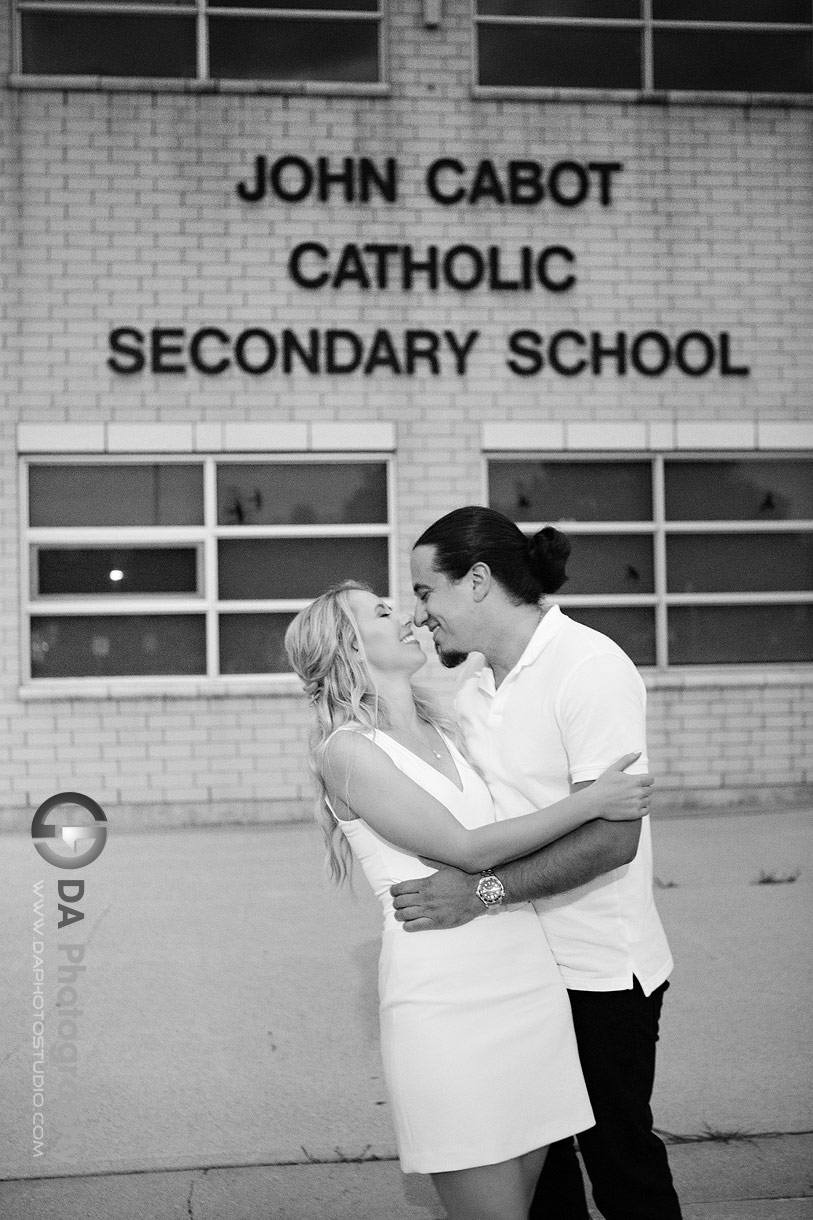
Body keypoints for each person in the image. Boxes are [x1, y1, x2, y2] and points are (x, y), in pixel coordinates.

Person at [284, 580, 653, 1220]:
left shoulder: (446, 726)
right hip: (446, 1002)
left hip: (527, 983)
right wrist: (591, 803)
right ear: (347, 644)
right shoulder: (345, 752)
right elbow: (471, 848)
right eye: (380, 612)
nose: (404, 615)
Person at [392, 506, 682, 1220]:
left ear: (479, 581)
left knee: (618, 1166)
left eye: (426, 592)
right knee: (539, 1178)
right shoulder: (473, 686)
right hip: (518, 972)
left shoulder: (587, 666)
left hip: (598, 972)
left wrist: (482, 892)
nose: (421, 613)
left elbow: (612, 839)